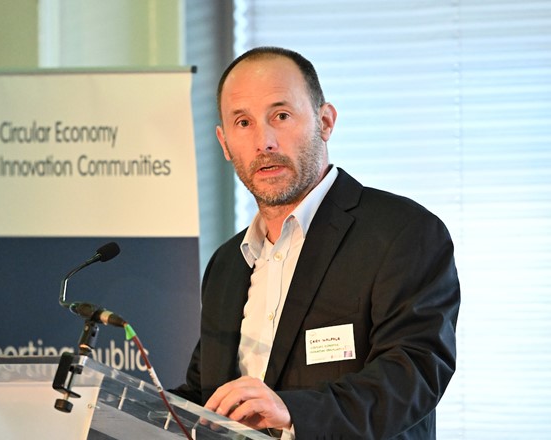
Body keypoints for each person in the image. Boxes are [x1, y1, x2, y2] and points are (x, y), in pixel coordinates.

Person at [172, 46, 460, 439]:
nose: (264, 142)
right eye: (243, 123)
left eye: (281, 115)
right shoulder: (226, 264)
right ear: (224, 144)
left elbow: (415, 373)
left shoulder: (402, 233)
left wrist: (293, 412)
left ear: (325, 122)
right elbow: (206, 398)